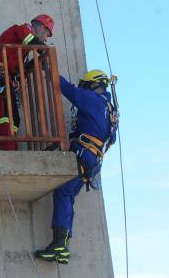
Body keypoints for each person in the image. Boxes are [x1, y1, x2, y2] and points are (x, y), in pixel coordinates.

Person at [35, 70, 118, 265]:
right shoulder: (109, 108)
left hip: (85, 153)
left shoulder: (93, 99)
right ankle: (61, 247)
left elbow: (68, 89)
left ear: (92, 85)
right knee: (67, 195)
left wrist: (49, 70)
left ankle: (59, 245)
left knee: (64, 193)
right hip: (94, 159)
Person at [0, 14, 54, 151]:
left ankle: (12, 146)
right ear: (40, 27)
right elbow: (31, 41)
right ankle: (7, 148)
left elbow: (17, 65)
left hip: (5, 75)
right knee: (5, 112)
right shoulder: (22, 29)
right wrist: (46, 50)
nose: (45, 38)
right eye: (47, 33)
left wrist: (35, 63)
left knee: (14, 117)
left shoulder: (24, 44)